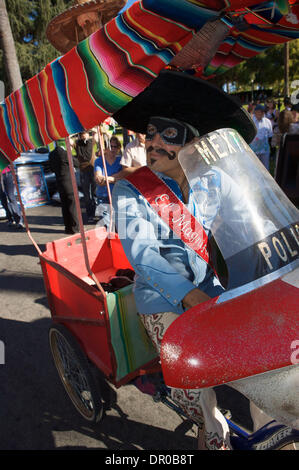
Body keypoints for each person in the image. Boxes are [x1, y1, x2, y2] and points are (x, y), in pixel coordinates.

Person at [112, 71, 299, 450]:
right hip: (166, 300)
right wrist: (189, 297)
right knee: (200, 395)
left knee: (265, 360)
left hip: (218, 291)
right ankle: (210, 429)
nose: (153, 143)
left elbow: (253, 220)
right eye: (150, 133)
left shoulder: (215, 181)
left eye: (168, 134)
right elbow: (145, 256)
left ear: (192, 143)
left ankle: (274, 425)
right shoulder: (130, 189)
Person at [49, 141, 80, 235]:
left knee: (65, 206)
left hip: (59, 182)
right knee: (72, 205)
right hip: (69, 182)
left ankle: (68, 227)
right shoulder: (65, 153)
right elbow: (77, 163)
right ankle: (75, 227)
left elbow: (52, 168)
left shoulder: (52, 154)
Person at [94, 136, 122, 227]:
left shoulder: (121, 161)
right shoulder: (99, 161)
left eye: (115, 147)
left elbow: (123, 179)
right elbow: (99, 180)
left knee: (119, 225)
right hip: (103, 197)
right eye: (111, 146)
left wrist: (107, 178)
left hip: (118, 196)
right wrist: (115, 179)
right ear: (106, 148)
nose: (113, 149)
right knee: (107, 226)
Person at [74, 130, 97, 223]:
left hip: (93, 170)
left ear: (88, 134)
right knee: (87, 195)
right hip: (84, 171)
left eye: (85, 133)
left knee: (95, 193)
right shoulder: (77, 144)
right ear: (79, 135)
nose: (84, 136)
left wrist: (95, 129)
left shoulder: (91, 142)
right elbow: (70, 141)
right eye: (82, 134)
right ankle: (90, 215)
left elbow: (96, 135)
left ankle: (96, 213)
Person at [249, 104, 273, 170]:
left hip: (265, 150)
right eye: (259, 111)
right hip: (253, 151)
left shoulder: (267, 122)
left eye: (263, 111)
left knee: (265, 168)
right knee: (255, 169)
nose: (261, 113)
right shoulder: (251, 121)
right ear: (255, 112)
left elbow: (270, 135)